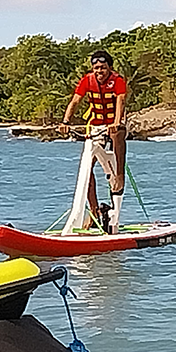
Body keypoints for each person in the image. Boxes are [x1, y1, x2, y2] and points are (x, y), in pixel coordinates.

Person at [58, 50, 127, 229]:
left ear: (109, 68)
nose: (99, 71)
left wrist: (116, 122)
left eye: (103, 68)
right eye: (96, 68)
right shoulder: (87, 81)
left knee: (117, 134)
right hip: (95, 125)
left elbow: (121, 101)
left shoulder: (117, 81)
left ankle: (119, 174)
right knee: (86, 169)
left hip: (113, 123)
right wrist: (66, 122)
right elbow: (75, 101)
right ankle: (94, 210)